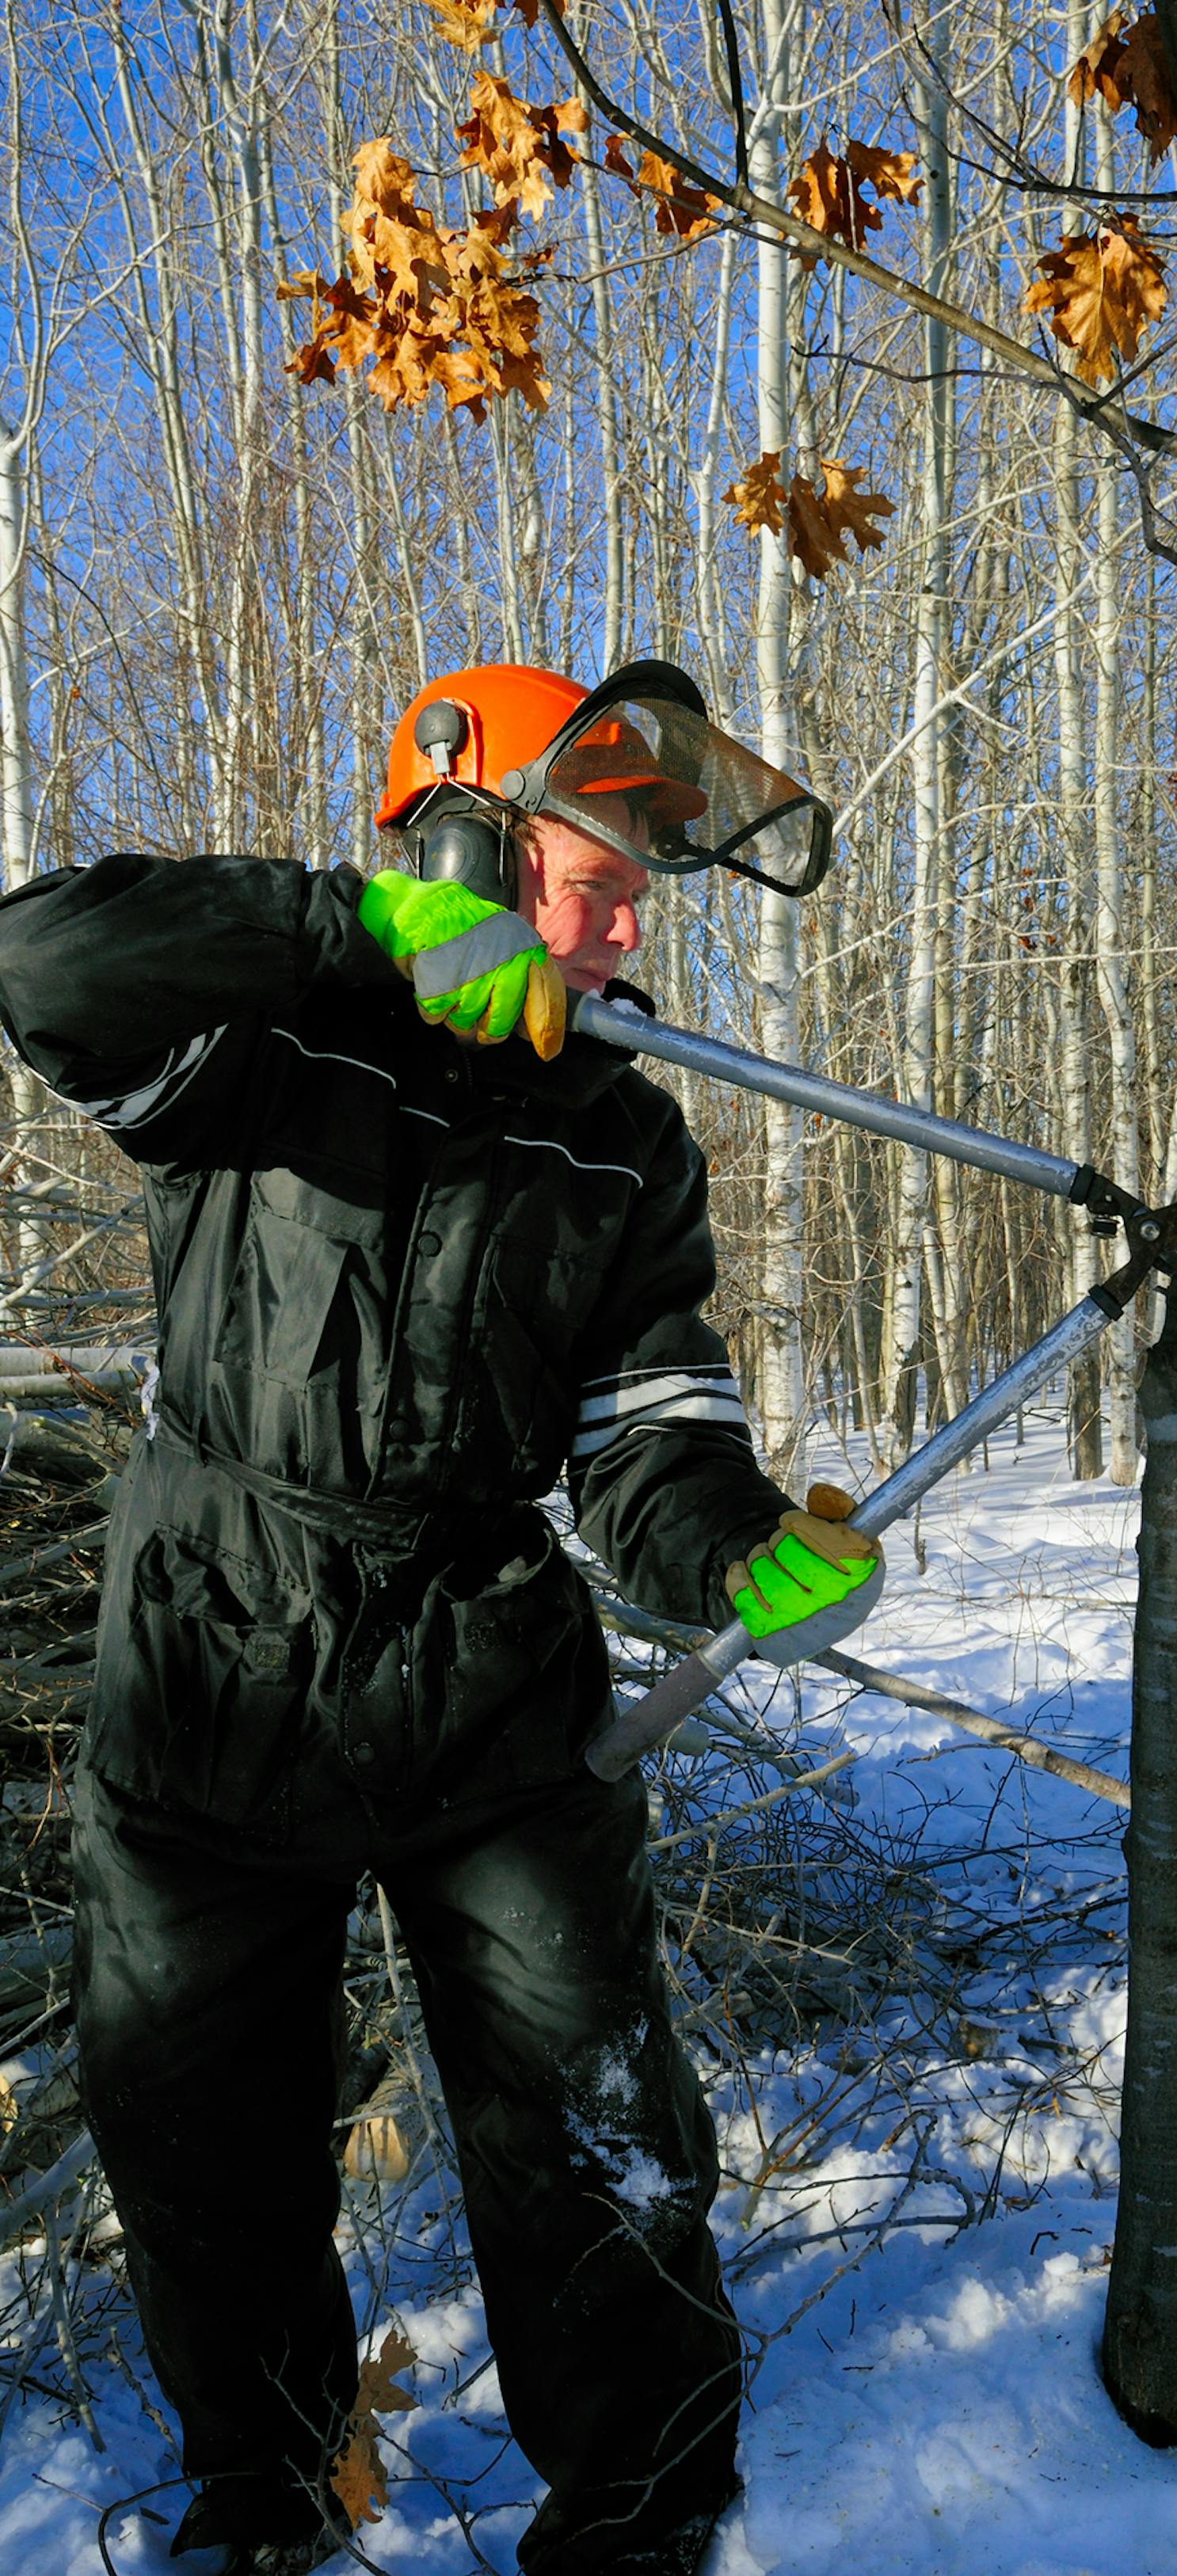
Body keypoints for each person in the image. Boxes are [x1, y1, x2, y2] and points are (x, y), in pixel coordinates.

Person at [0, 660, 882, 2576]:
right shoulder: (271, 1033)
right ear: (471, 831)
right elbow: (44, 967)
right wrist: (352, 924)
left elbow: (650, 1435)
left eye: (654, 869)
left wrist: (738, 1554)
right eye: (604, 862)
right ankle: (269, 2482)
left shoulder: (623, 1134)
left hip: (484, 1672)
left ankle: (643, 2499)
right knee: (201, 2139)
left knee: (592, 2112)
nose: (639, 908)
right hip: (214, 1668)